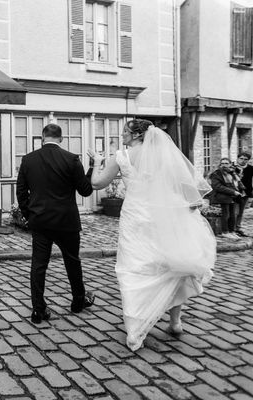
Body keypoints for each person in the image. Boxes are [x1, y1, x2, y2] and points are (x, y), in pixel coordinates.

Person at [88, 119, 216, 351]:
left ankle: (136, 331)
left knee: (134, 268)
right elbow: (186, 187)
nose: (122, 136)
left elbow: (97, 183)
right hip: (162, 216)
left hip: (136, 218)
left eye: (125, 132)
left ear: (137, 135)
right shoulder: (165, 156)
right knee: (170, 264)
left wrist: (97, 162)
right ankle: (175, 321)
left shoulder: (121, 157)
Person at [16, 123, 95, 325]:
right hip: (66, 221)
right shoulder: (71, 159)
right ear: (61, 139)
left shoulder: (28, 160)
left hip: (40, 221)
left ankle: (38, 310)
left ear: (43, 137)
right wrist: (93, 167)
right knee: (72, 261)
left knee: (39, 265)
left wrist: (29, 215)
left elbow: (21, 193)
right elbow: (85, 190)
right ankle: (78, 301)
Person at [209, 158, 245, 240]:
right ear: (220, 164)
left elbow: (236, 183)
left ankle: (231, 231)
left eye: (226, 163)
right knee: (225, 216)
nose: (224, 165)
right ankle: (225, 232)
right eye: (222, 163)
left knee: (233, 215)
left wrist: (240, 190)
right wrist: (233, 192)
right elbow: (218, 187)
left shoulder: (232, 173)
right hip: (221, 197)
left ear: (230, 164)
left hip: (232, 197)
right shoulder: (216, 174)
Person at [233, 151, 252, 236]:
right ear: (237, 158)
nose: (243, 161)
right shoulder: (232, 168)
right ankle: (232, 229)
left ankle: (238, 228)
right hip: (234, 193)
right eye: (241, 158)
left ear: (248, 160)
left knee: (241, 212)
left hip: (245, 193)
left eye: (245, 159)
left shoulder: (251, 168)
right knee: (234, 212)